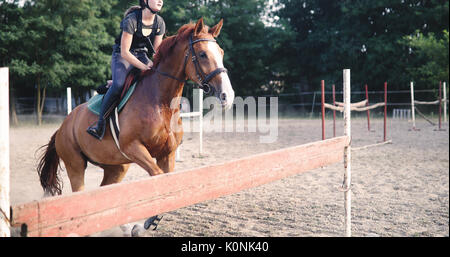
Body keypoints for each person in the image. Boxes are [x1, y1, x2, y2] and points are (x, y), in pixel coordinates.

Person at [87, 0, 166, 140]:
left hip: (141, 55)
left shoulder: (160, 22)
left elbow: (157, 53)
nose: (160, 0)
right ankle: (100, 125)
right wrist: (143, 67)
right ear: (146, 1)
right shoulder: (132, 19)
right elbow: (125, 52)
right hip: (122, 56)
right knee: (119, 85)